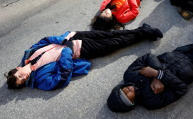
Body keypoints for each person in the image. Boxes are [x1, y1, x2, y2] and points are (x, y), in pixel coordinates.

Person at [5, 24, 163, 91]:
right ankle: (144, 33)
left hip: (73, 36)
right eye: (23, 80)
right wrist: (66, 51)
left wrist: (62, 40)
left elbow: (45, 40)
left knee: (111, 34)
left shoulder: (28, 54)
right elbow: (62, 78)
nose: (25, 76)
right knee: (116, 42)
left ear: (17, 69)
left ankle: (142, 29)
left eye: (20, 75)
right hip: (79, 50)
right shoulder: (40, 81)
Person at [107, 42, 193, 112]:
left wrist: (157, 73)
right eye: (126, 96)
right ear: (131, 102)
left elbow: (148, 57)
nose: (126, 90)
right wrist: (159, 75)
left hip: (179, 52)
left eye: (121, 91)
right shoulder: (151, 101)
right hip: (192, 66)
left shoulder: (129, 75)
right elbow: (181, 89)